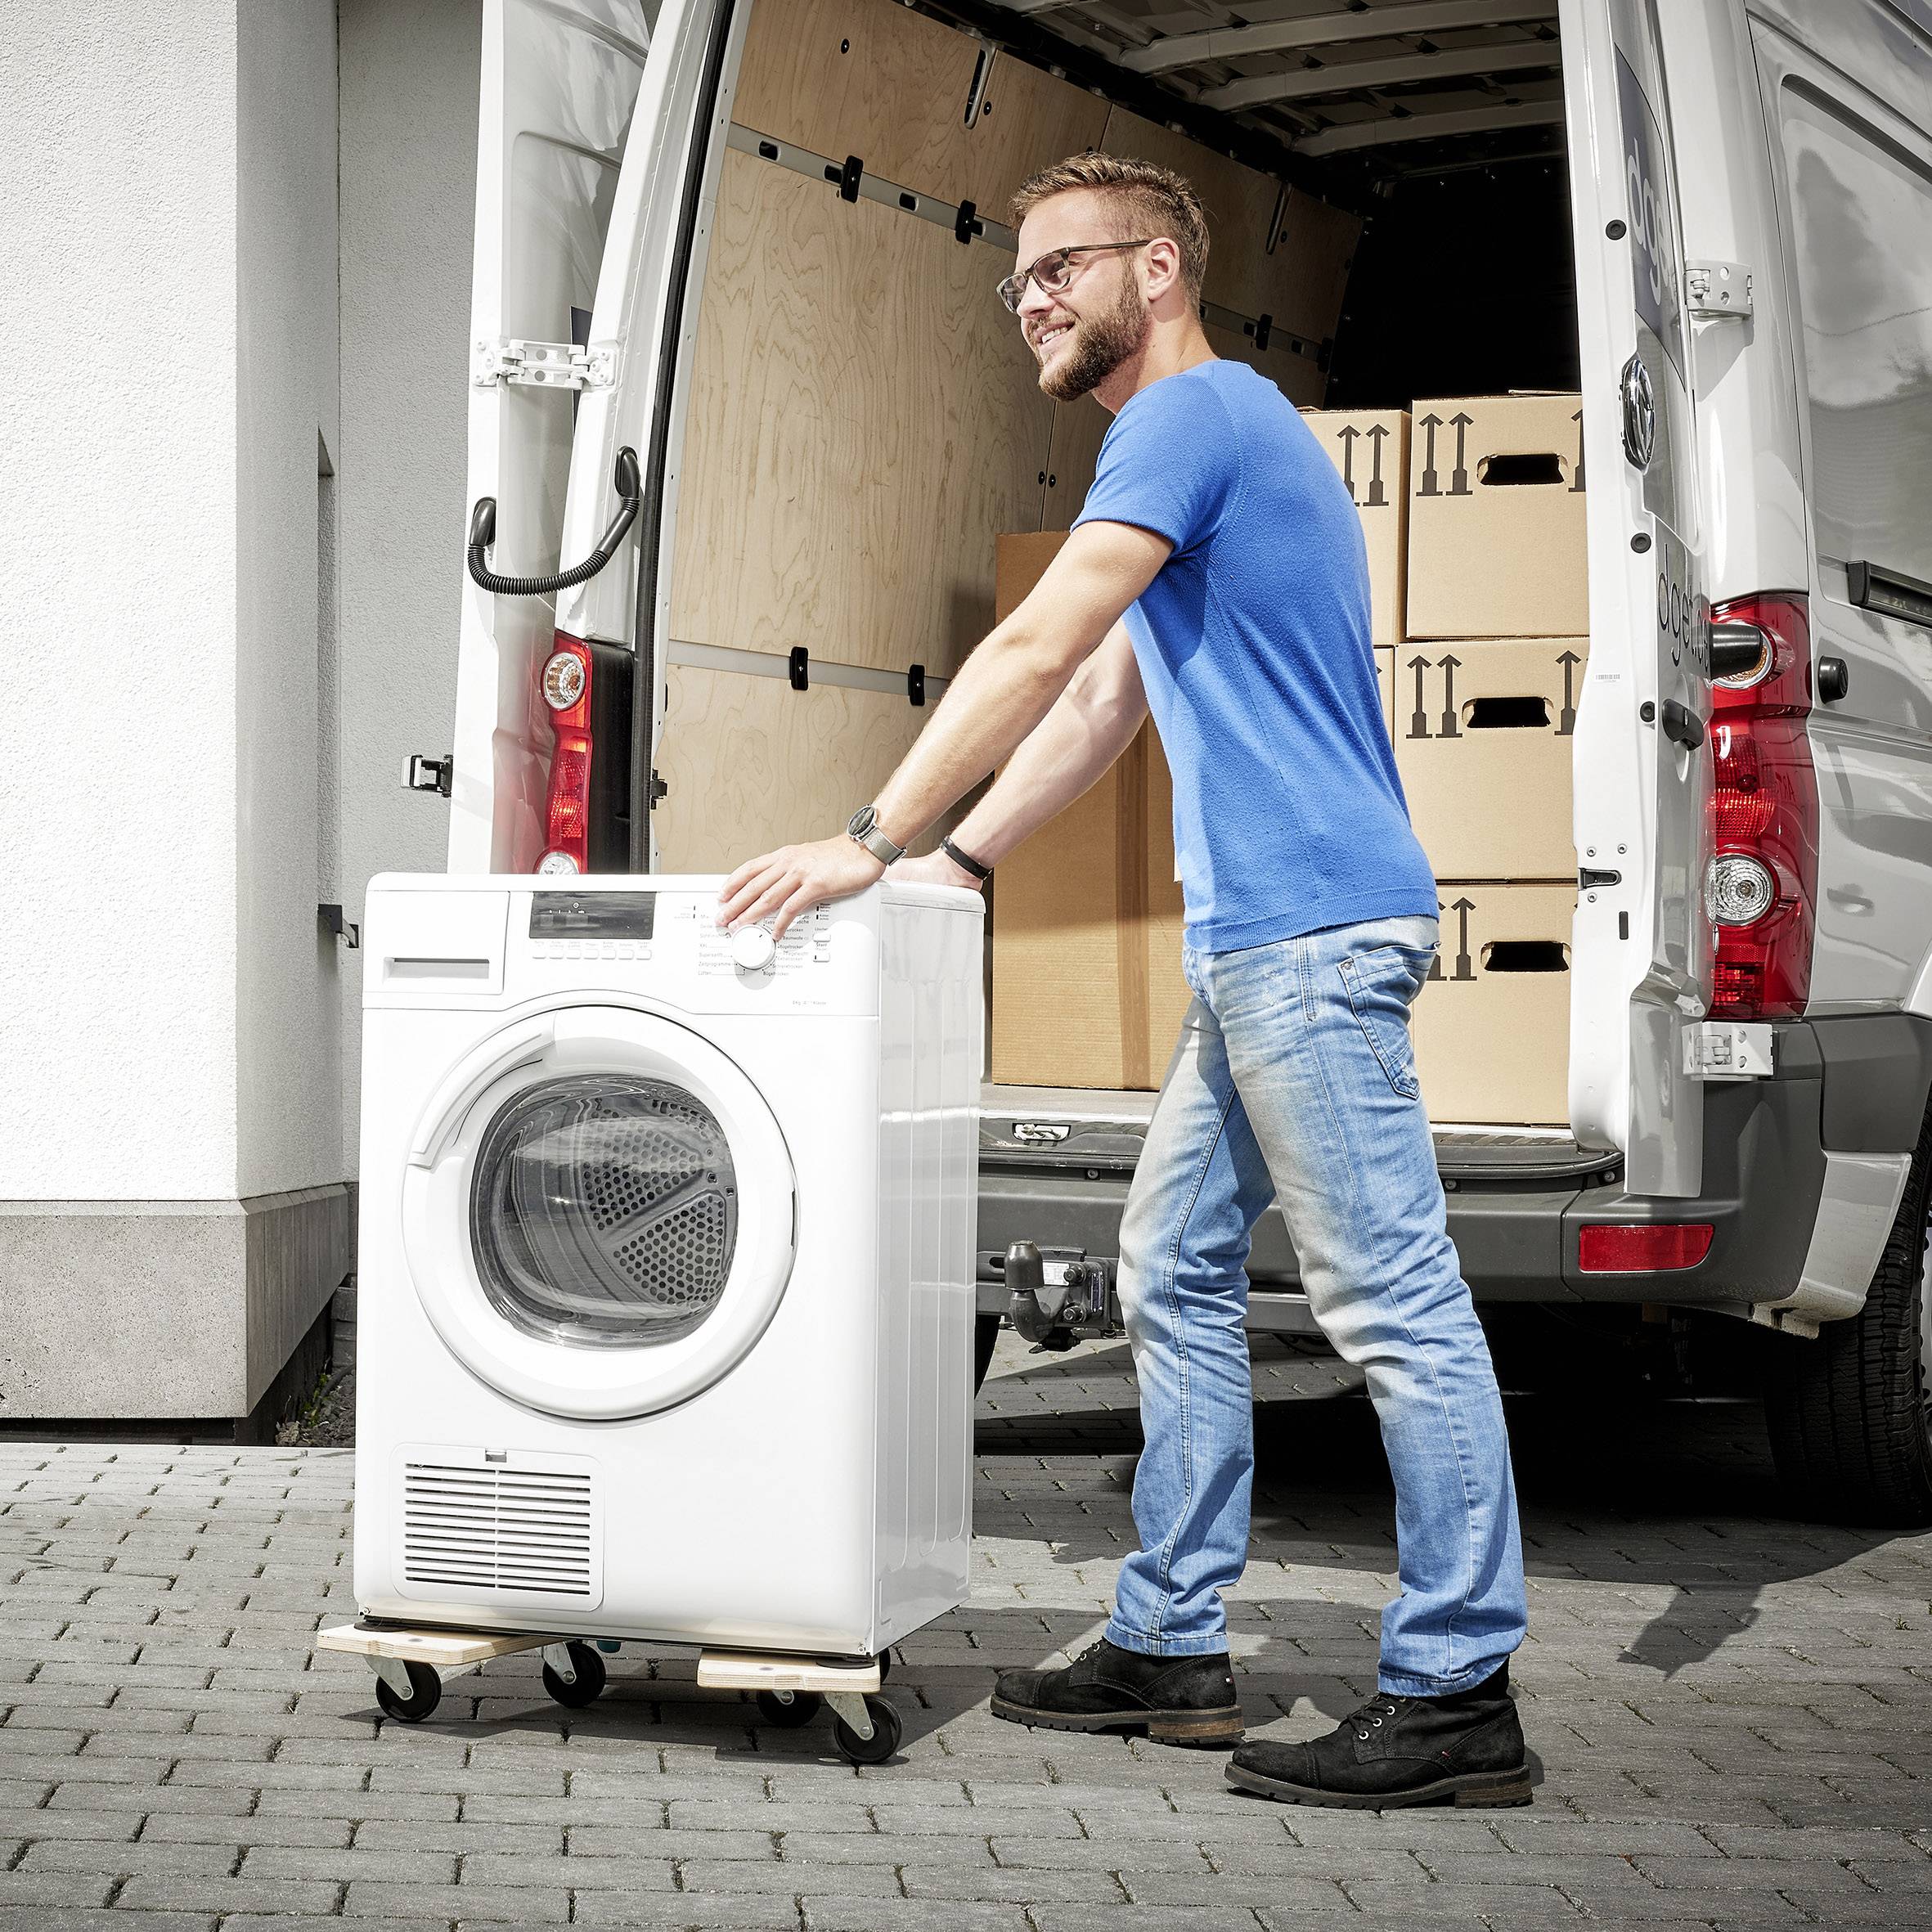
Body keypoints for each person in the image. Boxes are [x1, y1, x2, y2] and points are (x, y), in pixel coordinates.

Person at [717, 152, 1530, 1810]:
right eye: (1015, 276)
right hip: (1265, 943)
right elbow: (1095, 699)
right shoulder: (1226, 442)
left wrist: (872, 830)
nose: (1029, 296)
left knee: (1389, 1300)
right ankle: (1168, 1635)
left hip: (1302, 936)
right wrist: (963, 859)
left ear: (1155, 270)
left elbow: (1022, 650)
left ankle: (1455, 1685)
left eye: (1058, 268)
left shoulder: (1185, 417)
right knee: (1167, 1256)